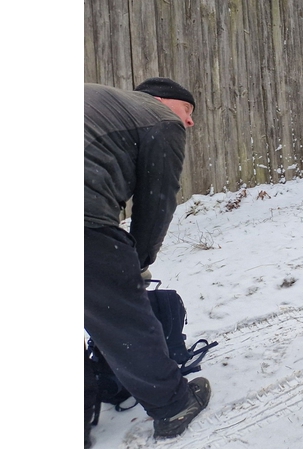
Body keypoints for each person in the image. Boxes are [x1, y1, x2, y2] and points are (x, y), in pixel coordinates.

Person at [84, 78, 210, 445]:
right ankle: (173, 405)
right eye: (187, 111)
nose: (189, 123)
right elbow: (156, 204)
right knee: (124, 318)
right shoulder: (157, 117)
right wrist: (135, 264)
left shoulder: (97, 103)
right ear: (161, 100)